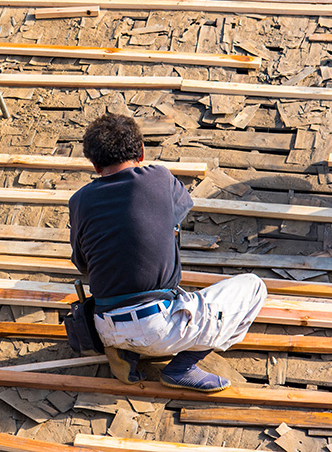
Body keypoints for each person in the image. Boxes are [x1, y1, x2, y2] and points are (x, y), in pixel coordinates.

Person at [68, 113, 266, 392]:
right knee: (253, 287)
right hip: (158, 325)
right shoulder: (159, 178)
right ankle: (181, 367)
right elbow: (180, 211)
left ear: (94, 164)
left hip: (104, 325)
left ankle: (126, 351)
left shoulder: (79, 200)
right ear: (141, 152)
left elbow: (83, 264)